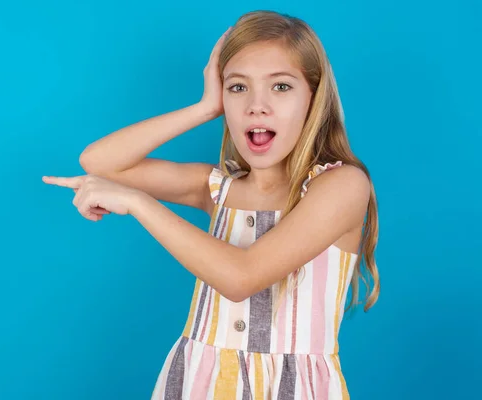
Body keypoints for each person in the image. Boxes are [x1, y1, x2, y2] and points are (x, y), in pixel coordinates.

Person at [43, 9, 380, 400]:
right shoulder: (218, 188)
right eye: (238, 87)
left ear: (313, 98)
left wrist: (139, 203)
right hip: (200, 383)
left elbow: (241, 278)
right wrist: (204, 107)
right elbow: (99, 162)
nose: (257, 105)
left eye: (281, 87)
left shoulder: (342, 186)